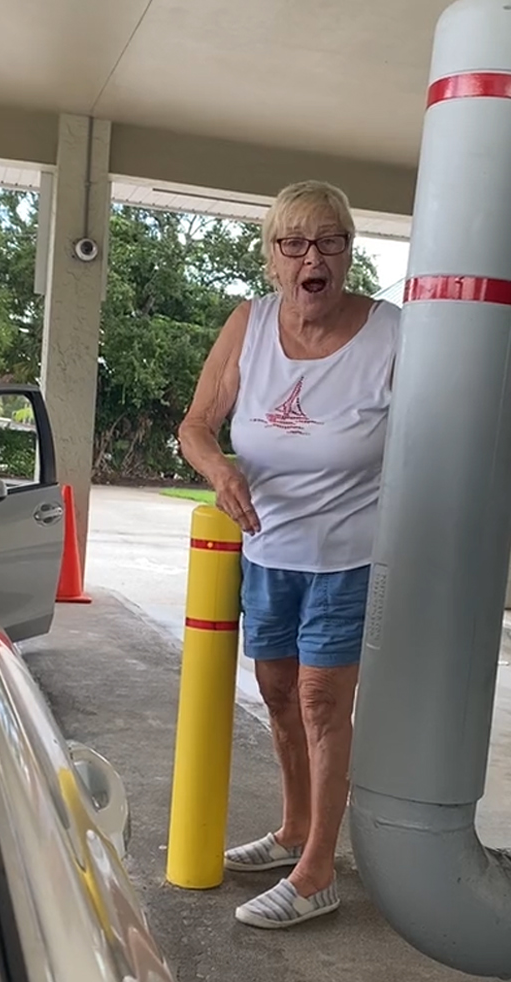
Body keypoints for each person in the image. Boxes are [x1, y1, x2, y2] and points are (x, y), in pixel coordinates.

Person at [176, 179, 398, 930]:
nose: (314, 256)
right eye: (294, 242)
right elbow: (197, 425)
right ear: (272, 257)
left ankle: (317, 872)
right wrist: (220, 469)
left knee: (320, 704)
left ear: (347, 251)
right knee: (275, 696)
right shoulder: (250, 323)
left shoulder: (393, 334)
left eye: (331, 240)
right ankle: (293, 828)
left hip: (348, 557)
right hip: (268, 554)